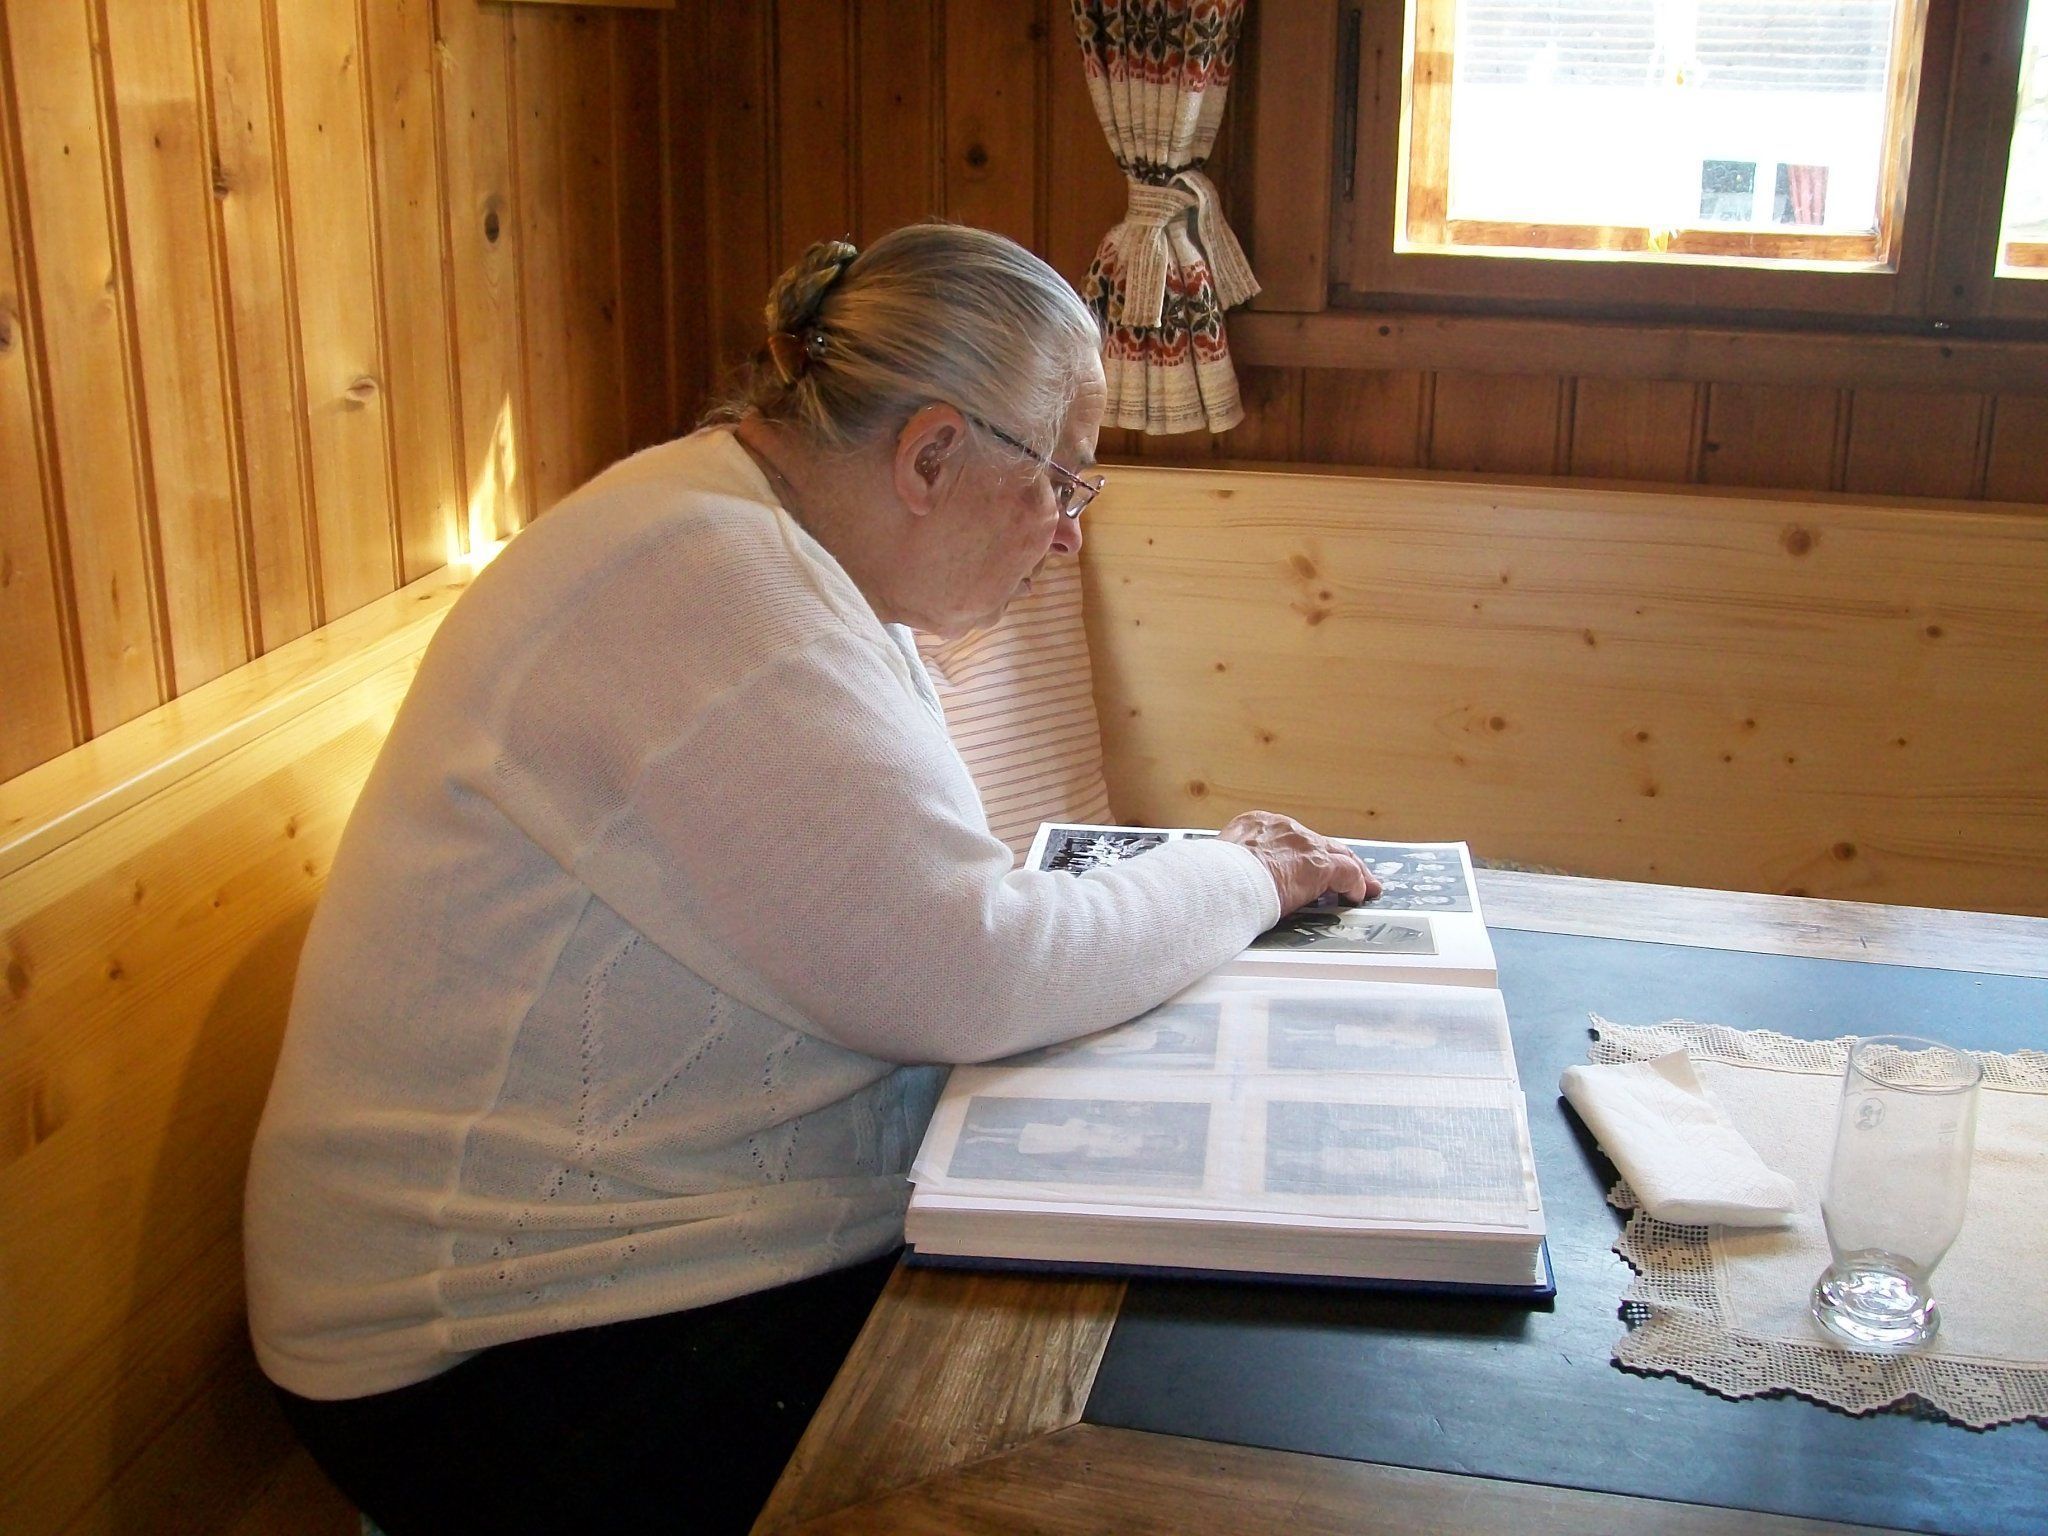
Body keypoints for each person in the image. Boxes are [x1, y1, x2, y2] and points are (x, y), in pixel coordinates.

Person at [242, 223, 1376, 1535]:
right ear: (932, 453)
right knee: (1151, 1413)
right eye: (1065, 483)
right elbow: (979, 967)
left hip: (611, 1276)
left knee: (1160, 1312)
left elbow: (929, 933)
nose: (1068, 536)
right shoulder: (705, 582)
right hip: (470, 1369)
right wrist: (1242, 876)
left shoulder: (753, 537)